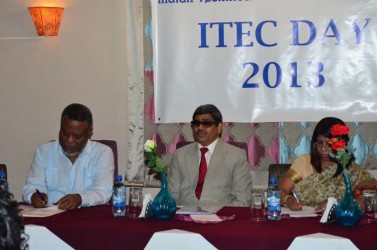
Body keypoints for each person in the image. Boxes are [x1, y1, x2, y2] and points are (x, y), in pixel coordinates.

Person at [23, 103, 114, 210]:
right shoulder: (43, 152)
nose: (69, 141)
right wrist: (33, 196)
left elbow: (103, 192)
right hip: (49, 215)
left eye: (77, 136)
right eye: (64, 134)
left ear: (89, 134)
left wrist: (80, 199)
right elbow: (32, 187)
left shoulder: (102, 153)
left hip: (85, 217)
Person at [279, 117, 376, 211]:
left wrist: (336, 204)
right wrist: (288, 200)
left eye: (329, 144)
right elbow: (281, 190)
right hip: (302, 220)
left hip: (337, 222)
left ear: (342, 144)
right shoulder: (304, 161)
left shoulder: (351, 170)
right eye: (319, 143)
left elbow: (370, 198)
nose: (323, 149)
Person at [168, 104, 252, 207]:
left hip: (221, 219)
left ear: (219, 127)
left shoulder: (236, 156)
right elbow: (171, 196)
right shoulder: (179, 155)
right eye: (196, 123)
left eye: (206, 123)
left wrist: (218, 216)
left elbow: (242, 200)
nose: (200, 128)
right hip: (185, 217)